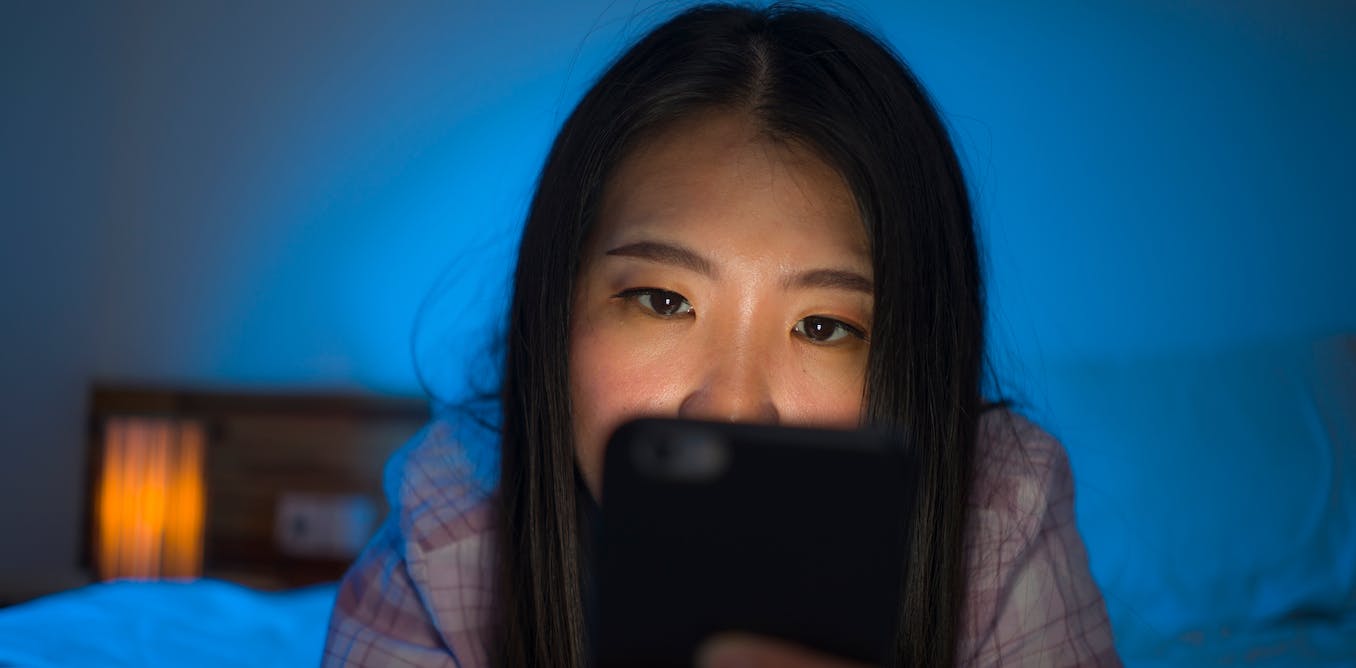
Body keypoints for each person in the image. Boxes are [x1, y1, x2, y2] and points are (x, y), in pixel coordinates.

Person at [324, 3, 1120, 666]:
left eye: (822, 326)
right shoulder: (456, 522)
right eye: (664, 302)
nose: (732, 405)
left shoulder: (998, 513)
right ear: (556, 319)